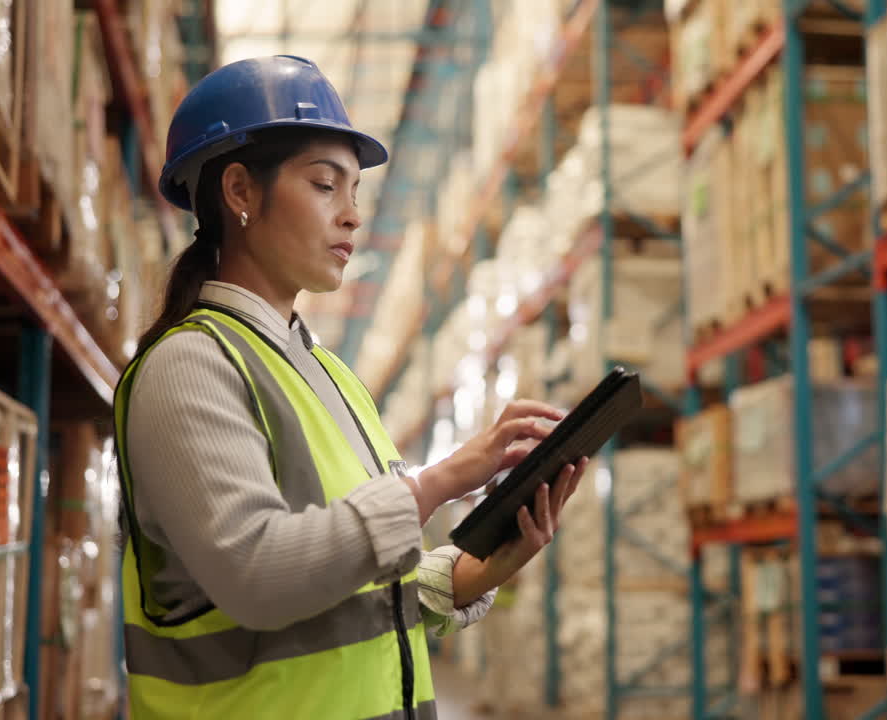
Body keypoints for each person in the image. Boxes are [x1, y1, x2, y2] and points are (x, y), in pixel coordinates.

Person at [113, 55, 589, 720]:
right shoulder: (190, 368)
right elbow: (258, 575)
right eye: (324, 185)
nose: (352, 217)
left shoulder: (331, 377)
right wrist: (437, 483)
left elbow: (350, 585)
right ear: (241, 192)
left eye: (356, 193)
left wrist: (477, 568)